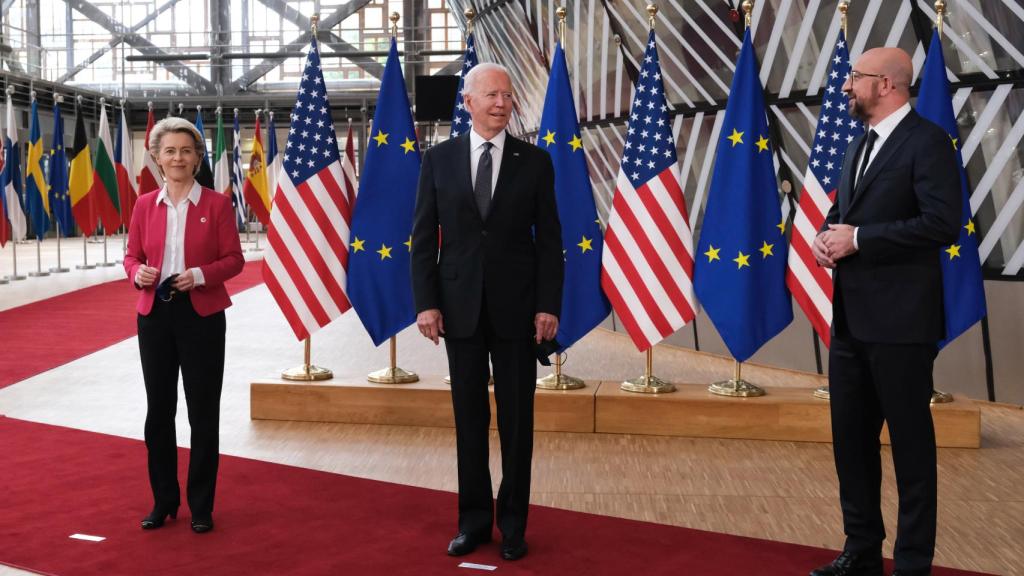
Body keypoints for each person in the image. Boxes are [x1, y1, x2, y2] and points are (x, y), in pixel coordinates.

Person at [810, 47, 961, 576]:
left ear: (887, 85)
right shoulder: (859, 144)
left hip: (902, 325)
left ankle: (914, 562)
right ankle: (862, 550)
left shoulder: (929, 142)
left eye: (856, 78)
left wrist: (862, 239)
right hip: (851, 322)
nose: (847, 86)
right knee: (850, 442)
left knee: (911, 449)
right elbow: (845, 214)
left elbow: (943, 224)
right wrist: (827, 235)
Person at [410, 62, 563, 561]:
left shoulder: (535, 162)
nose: (502, 102)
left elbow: (550, 243)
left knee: (518, 423)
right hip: (459, 312)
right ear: (468, 102)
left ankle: (514, 524)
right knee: (468, 421)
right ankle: (473, 522)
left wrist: (548, 306)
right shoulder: (438, 160)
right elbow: (422, 239)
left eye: (507, 94)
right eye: (491, 94)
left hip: (519, 314)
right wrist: (427, 303)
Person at [124, 117, 244, 534]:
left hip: (202, 317)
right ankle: (163, 500)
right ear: (156, 157)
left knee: (202, 412)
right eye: (170, 151)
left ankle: (201, 505)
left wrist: (200, 275)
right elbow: (131, 256)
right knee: (159, 411)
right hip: (154, 316)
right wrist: (136, 271)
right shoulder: (143, 205)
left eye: (186, 151)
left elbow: (234, 260)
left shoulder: (217, 204)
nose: (178, 158)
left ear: (197, 159)